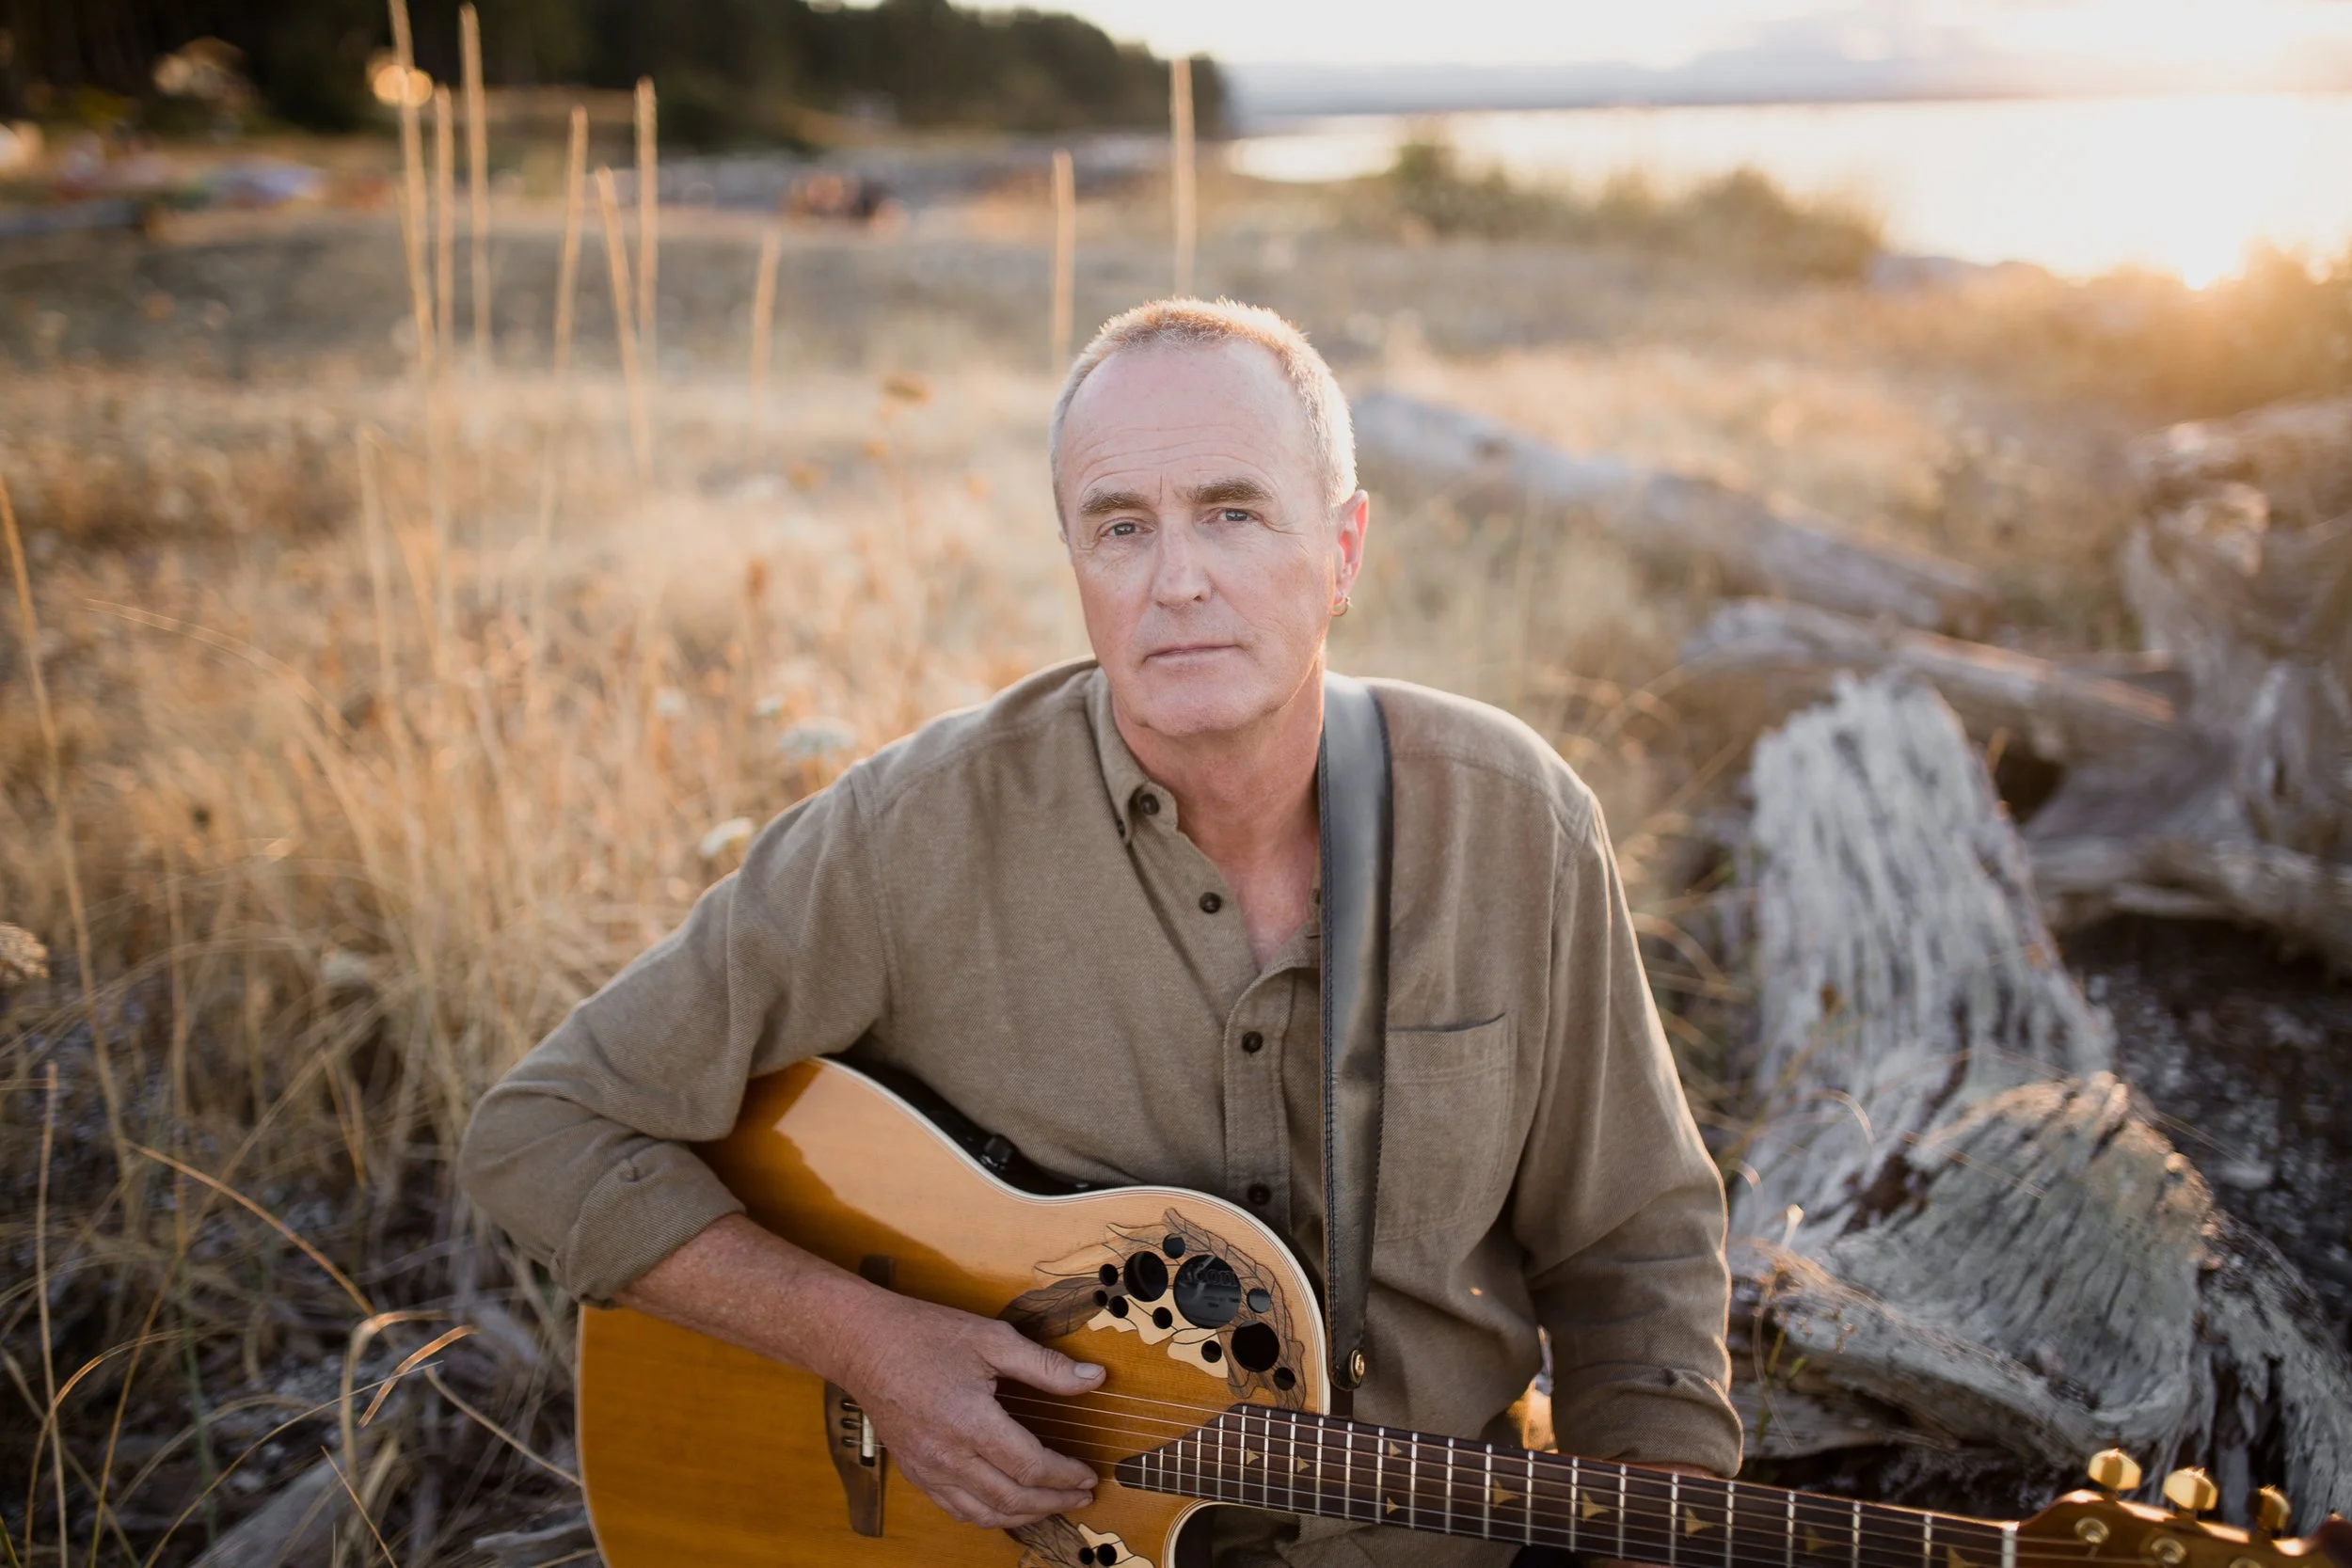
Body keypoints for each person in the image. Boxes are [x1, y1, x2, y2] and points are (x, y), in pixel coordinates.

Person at [459, 298, 1740, 1568]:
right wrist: (865, 1342)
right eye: (1121, 527)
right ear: (1076, 562)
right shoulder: (910, 834)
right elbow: (540, 1130)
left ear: (1345, 549)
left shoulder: (1512, 824)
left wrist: (1656, 1519)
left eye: (1233, 513)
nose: (1176, 578)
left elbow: (1636, 1248)